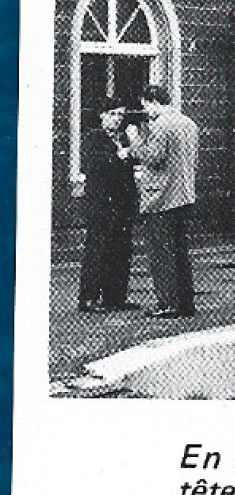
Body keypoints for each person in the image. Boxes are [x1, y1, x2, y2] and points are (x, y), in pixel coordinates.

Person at [128, 84, 200, 319]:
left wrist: (135, 140)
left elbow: (153, 158)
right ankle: (185, 302)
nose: (146, 111)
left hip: (161, 198)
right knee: (180, 251)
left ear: (152, 102)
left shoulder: (161, 125)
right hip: (185, 195)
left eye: (145, 105)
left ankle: (167, 303)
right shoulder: (189, 124)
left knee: (161, 253)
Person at [77, 96, 139, 312]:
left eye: (121, 115)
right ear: (103, 116)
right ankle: (89, 298)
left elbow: (132, 165)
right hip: (102, 202)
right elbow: (92, 165)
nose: (117, 119)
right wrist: (118, 156)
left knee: (121, 249)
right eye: (113, 114)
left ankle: (115, 297)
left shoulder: (123, 138)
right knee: (98, 248)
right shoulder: (93, 138)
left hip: (122, 202)